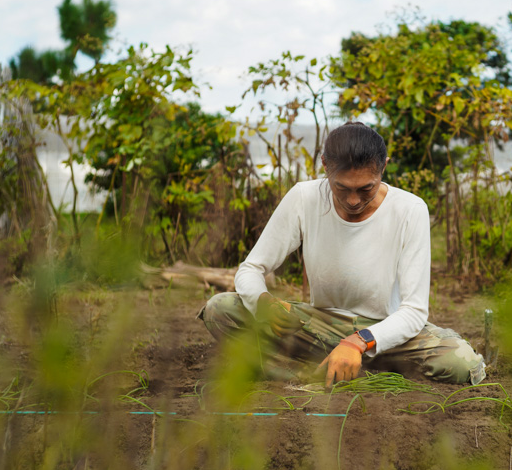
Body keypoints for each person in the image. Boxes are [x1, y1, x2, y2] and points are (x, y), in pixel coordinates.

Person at [199, 121, 486, 388]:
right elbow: (251, 269)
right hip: (319, 327)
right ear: (325, 165)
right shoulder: (304, 197)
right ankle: (306, 376)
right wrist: (264, 303)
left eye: (366, 189)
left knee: (462, 363)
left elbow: (413, 312)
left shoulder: (410, 209)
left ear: (383, 167)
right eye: (341, 188)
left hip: (386, 335)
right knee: (220, 309)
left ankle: (344, 365)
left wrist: (359, 342)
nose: (352, 200)